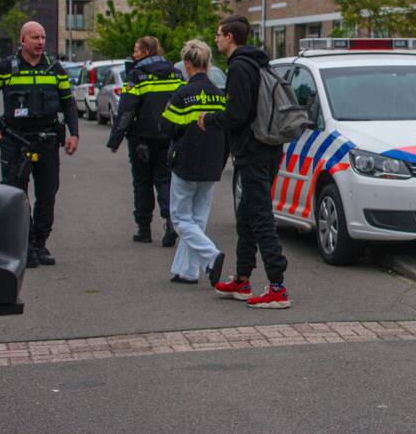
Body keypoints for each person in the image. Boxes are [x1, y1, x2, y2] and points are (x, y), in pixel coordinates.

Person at [199, 15, 290, 309]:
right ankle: (242, 279)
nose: (216, 39)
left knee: (260, 216)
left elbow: (238, 114)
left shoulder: (239, 67)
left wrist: (209, 119)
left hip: (253, 152)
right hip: (266, 148)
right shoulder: (258, 62)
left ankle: (277, 287)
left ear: (229, 38)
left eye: (218, 35)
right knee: (247, 216)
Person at [0, 21, 79, 268]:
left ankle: (39, 243)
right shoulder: (6, 68)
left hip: (46, 140)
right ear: (22, 40)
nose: (41, 42)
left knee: (47, 193)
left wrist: (74, 134)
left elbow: (68, 104)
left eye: (43, 37)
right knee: (16, 195)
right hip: (15, 141)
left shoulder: (55, 68)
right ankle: (24, 245)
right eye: (35, 37)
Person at [159, 40, 227, 286]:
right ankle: (187, 271)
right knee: (198, 218)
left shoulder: (182, 94)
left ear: (187, 64)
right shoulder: (219, 95)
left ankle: (211, 255)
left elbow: (165, 126)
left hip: (186, 162)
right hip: (212, 163)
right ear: (207, 64)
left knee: (180, 218)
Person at [106, 36, 184, 246]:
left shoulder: (137, 75)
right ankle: (170, 222)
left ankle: (144, 229)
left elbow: (126, 110)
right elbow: (182, 100)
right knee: (165, 180)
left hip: (142, 140)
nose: (134, 55)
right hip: (168, 137)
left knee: (142, 183)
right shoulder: (175, 72)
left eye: (137, 51)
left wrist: (115, 140)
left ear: (147, 51)